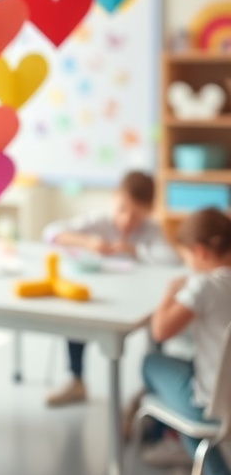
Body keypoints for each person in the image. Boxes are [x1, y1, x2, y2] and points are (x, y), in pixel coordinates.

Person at [43, 170, 174, 407]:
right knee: (76, 317)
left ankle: (151, 389)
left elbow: (172, 259)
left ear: (149, 210)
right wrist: (87, 242)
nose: (126, 220)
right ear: (114, 198)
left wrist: (133, 250)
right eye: (122, 209)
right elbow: (51, 232)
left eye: (136, 215)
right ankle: (76, 379)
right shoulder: (99, 222)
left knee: (157, 328)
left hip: (139, 300)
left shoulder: (151, 231)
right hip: (102, 298)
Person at [142, 207, 231, 475]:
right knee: (186, 365)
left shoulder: (204, 286)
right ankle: (180, 440)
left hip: (213, 406)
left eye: (186, 258)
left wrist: (169, 292)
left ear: (201, 252)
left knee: (151, 363)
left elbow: (160, 331)